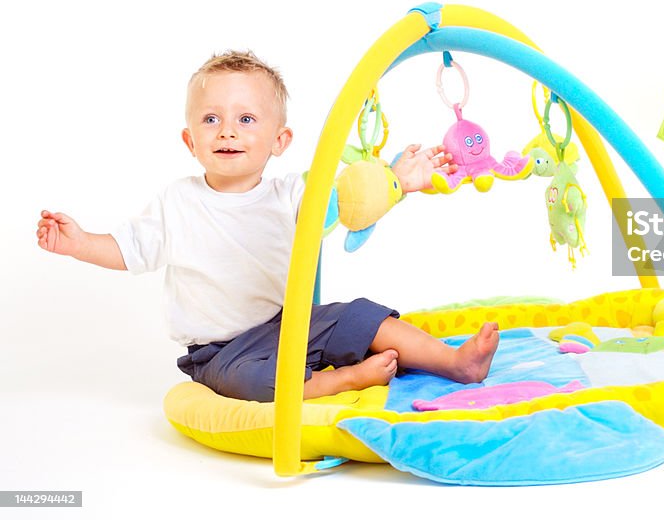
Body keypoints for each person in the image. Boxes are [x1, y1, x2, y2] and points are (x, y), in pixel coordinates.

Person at [36, 50, 499, 402]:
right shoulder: (177, 201)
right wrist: (78, 243)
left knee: (363, 315)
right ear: (189, 140)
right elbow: (127, 249)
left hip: (289, 324)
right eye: (211, 119)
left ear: (280, 140)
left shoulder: (293, 193)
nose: (227, 131)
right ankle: (340, 382)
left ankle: (456, 362)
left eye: (246, 119)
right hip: (220, 351)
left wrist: (394, 181)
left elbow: (350, 202)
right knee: (247, 381)